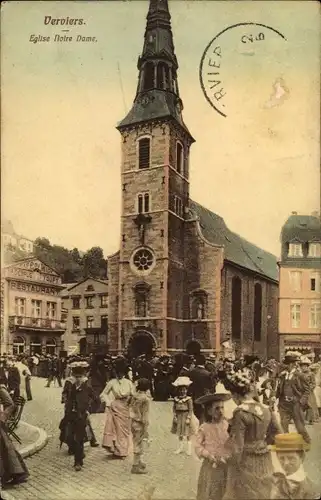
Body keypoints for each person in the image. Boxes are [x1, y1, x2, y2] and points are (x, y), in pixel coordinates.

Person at [222, 369, 282, 500]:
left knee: (243, 494)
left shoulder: (240, 412)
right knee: (262, 492)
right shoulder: (266, 409)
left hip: (246, 460)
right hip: (264, 459)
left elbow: (238, 446)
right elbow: (278, 434)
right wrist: (264, 443)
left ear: (236, 394)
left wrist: (229, 461)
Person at [58, 361, 96, 471]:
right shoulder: (69, 383)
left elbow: (95, 399)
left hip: (81, 414)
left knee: (79, 437)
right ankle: (73, 449)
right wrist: (65, 399)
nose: (78, 378)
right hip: (70, 412)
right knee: (69, 432)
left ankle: (78, 461)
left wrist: (89, 410)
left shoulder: (86, 384)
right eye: (76, 376)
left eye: (80, 376)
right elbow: (64, 394)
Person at [194, 392, 232, 500]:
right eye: (216, 408)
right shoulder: (205, 427)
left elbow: (234, 441)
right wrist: (208, 455)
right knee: (211, 491)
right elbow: (197, 446)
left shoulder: (228, 425)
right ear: (209, 411)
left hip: (226, 465)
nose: (220, 411)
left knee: (225, 491)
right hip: (211, 466)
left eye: (222, 408)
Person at [101, 357, 134, 458]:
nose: (119, 374)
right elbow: (103, 394)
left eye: (121, 372)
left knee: (124, 430)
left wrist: (130, 401)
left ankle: (123, 449)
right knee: (115, 429)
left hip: (125, 408)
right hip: (115, 407)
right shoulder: (112, 382)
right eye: (118, 372)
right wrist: (108, 402)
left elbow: (133, 394)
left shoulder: (128, 383)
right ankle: (117, 449)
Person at [269, 433, 319, 499]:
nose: (286, 463)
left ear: (302, 457)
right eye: (281, 458)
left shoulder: (313, 490)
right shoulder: (276, 481)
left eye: (291, 458)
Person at [0, 375, 29, 487]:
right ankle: (16, 473)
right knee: (7, 449)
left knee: (5, 449)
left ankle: (10, 475)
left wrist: (3, 417)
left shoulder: (1, 388)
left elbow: (10, 404)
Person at [277, 351, 311, 444]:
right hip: (283, 404)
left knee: (300, 427)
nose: (284, 366)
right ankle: (286, 443)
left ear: (291, 365)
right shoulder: (283, 375)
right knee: (283, 425)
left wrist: (301, 402)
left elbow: (307, 390)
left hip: (295, 404)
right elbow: (280, 388)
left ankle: (307, 441)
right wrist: (275, 398)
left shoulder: (300, 376)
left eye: (286, 365)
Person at [171, 376, 197, 456]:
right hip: (179, 416)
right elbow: (174, 408)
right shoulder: (176, 399)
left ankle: (189, 449)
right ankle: (180, 447)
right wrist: (175, 416)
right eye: (181, 390)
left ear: (187, 390)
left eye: (184, 390)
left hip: (186, 416)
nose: (183, 392)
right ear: (178, 391)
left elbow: (190, 409)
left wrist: (189, 418)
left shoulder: (188, 399)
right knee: (180, 433)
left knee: (188, 433)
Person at [130, 378, 151, 475]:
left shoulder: (135, 396)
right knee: (139, 443)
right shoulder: (145, 399)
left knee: (136, 440)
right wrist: (146, 425)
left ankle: (139, 461)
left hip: (133, 421)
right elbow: (145, 414)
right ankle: (135, 465)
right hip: (140, 423)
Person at [188, 354, 213, 422]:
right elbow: (211, 387)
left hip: (194, 396)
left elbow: (189, 385)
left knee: (196, 415)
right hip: (204, 397)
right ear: (204, 362)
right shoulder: (207, 373)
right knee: (203, 415)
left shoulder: (192, 372)